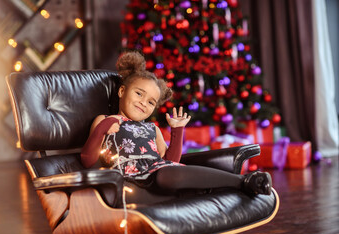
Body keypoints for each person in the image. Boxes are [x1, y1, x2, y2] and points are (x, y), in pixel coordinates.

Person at [81, 51, 272, 195]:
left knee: (170, 173)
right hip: (133, 181)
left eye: (150, 102)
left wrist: (177, 130)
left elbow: (170, 161)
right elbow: (87, 159)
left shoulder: (152, 128)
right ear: (122, 92)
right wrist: (103, 129)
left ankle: (243, 183)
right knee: (166, 175)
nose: (143, 102)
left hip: (161, 173)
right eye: (139, 93)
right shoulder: (105, 121)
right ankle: (241, 182)